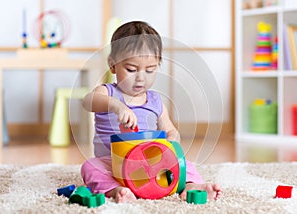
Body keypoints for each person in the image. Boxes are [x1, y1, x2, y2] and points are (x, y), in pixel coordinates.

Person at [81, 21, 222, 203]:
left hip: (150, 165)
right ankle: (117, 191)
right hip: (113, 164)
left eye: (150, 70)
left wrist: (172, 142)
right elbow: (87, 101)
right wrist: (117, 106)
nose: (141, 77)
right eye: (131, 69)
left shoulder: (156, 101)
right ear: (113, 65)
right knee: (90, 166)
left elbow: (171, 130)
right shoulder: (107, 93)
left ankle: (190, 186)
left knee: (186, 164)